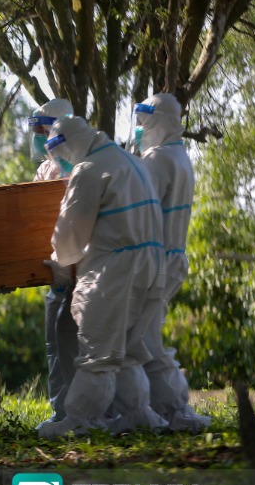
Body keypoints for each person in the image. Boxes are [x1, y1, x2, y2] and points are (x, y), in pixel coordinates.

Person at [37, 116, 168, 438]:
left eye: (60, 150)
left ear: (69, 142)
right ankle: (138, 414)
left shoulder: (89, 169)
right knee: (127, 350)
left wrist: (59, 262)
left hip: (115, 269)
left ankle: (82, 420)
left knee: (98, 350)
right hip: (151, 265)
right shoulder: (130, 161)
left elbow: (69, 233)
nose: (61, 159)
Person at [134, 93, 210, 432]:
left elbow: (136, 212)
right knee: (147, 335)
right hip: (173, 256)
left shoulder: (156, 159)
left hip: (153, 260)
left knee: (144, 340)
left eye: (145, 122)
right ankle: (160, 408)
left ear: (161, 121)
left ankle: (176, 410)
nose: (140, 129)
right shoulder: (181, 156)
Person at [27, 98, 81, 429]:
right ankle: (61, 411)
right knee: (55, 343)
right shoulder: (45, 169)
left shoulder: (81, 164)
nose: (38, 137)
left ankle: (80, 411)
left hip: (82, 267)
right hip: (53, 269)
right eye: (36, 131)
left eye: (43, 130)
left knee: (76, 340)